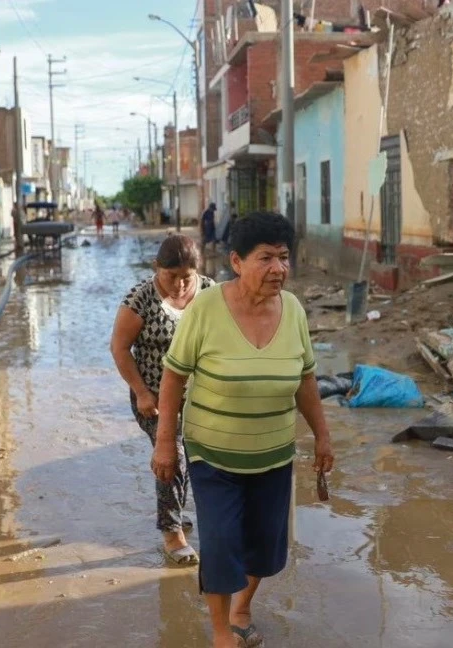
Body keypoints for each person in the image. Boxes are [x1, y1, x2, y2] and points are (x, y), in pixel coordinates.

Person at [153, 212, 334, 648]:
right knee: (218, 541)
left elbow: (306, 379)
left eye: (285, 258)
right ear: (237, 261)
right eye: (266, 258)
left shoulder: (293, 310)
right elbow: (174, 376)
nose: (279, 269)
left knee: (265, 546)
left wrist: (323, 436)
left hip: (273, 454)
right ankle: (221, 632)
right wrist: (165, 443)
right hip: (213, 453)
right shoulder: (206, 309)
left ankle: (243, 607)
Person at [110, 234, 216, 565]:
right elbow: (119, 348)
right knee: (173, 457)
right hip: (154, 398)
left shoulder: (212, 294)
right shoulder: (139, 300)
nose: (181, 285)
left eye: (187, 277)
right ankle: (172, 532)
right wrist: (141, 392)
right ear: (157, 268)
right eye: (172, 276)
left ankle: (179, 510)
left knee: (201, 459)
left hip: (201, 397)